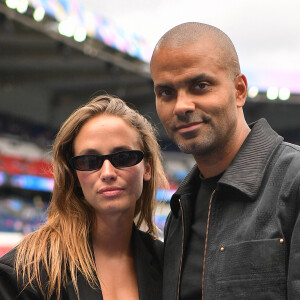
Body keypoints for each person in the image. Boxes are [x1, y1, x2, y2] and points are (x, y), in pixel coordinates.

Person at [150, 22, 300, 300]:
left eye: (200, 85)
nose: (182, 106)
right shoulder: (179, 212)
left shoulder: (294, 181)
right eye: (166, 92)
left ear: (239, 90)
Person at [0, 94, 169, 300]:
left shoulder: (167, 264)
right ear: (75, 175)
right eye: (89, 161)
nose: (107, 173)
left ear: (147, 168)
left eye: (123, 157)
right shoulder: (25, 271)